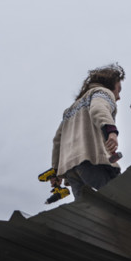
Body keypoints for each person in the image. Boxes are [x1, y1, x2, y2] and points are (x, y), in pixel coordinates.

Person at [50, 63, 125, 201]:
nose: (118, 96)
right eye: (118, 90)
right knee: (121, 199)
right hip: (91, 160)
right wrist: (112, 132)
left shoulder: (70, 110)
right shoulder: (102, 93)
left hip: (71, 170)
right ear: (109, 84)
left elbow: (57, 141)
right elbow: (98, 109)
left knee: (86, 208)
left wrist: (55, 172)